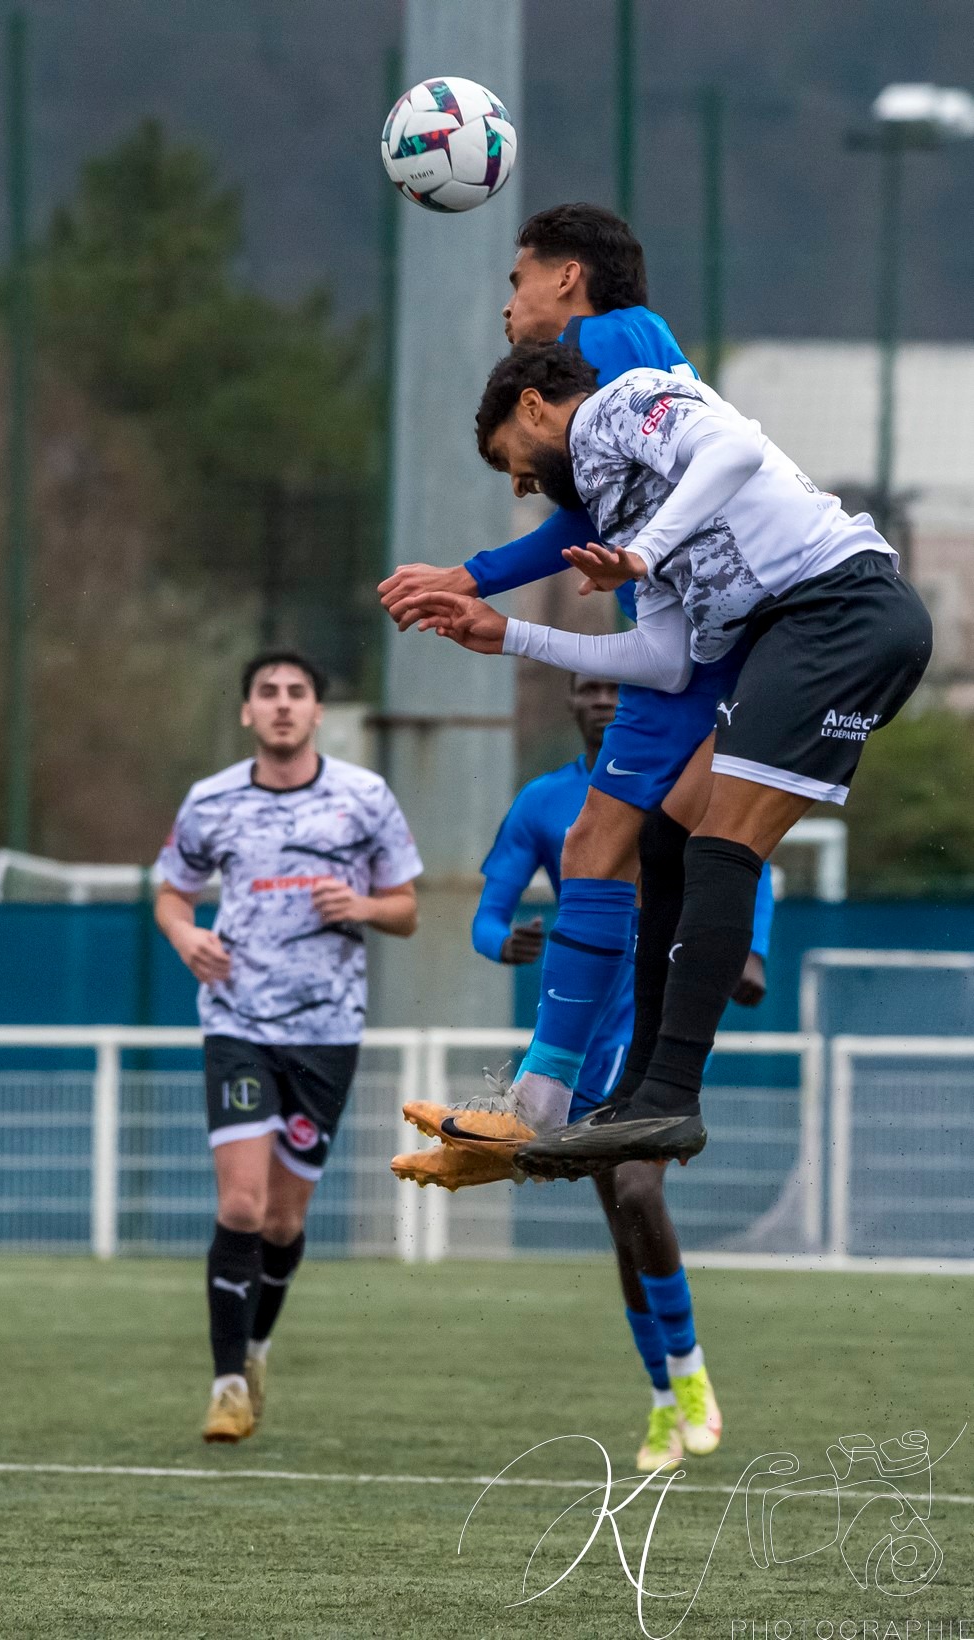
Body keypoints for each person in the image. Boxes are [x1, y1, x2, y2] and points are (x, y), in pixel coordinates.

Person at [412, 342, 932, 1181]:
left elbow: (735, 450)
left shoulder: (626, 402)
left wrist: (649, 551)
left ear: (537, 407)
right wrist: (509, 635)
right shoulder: (620, 514)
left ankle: (671, 1098)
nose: (519, 485)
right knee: (666, 835)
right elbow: (666, 661)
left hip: (846, 613)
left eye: (509, 459)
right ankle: (637, 1097)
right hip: (807, 631)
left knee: (721, 840)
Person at [380, 203, 751, 1152]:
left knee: (608, 848)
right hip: (685, 641)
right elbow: (592, 517)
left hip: (695, 647)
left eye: (516, 281)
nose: (509, 307)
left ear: (567, 278)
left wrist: (470, 574)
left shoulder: (616, 339)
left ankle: (588, 1099)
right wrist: (473, 581)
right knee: (609, 850)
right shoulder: (617, 355)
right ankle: (578, 1100)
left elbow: (589, 524)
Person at [395, 674, 774, 1471]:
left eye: (618, 685)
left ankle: (691, 1377)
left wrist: (751, 951)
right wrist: (505, 942)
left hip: (656, 1011)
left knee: (640, 1188)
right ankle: (667, 1398)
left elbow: (749, 863)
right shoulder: (543, 803)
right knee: (620, 1220)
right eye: (590, 686)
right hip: (582, 1021)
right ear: (569, 703)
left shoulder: (683, 779)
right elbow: (487, 913)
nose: (605, 697)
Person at [155, 650, 422, 1442]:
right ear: (246, 713)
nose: (280, 705)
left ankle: (259, 1346)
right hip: (237, 1021)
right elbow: (172, 891)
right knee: (239, 1201)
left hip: (327, 1031)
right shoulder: (211, 802)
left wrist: (364, 907)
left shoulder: (362, 798)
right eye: (266, 693)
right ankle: (227, 1383)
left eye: (295, 693)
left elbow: (407, 908)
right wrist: (183, 936)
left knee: (281, 1220)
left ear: (316, 713)